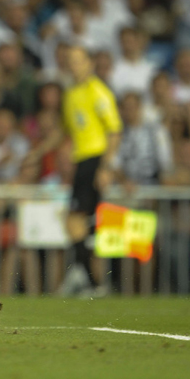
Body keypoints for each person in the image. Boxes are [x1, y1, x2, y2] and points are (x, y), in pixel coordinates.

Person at [30, 46, 122, 296]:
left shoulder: (98, 92)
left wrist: (105, 166)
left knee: (76, 223)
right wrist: (38, 152)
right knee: (80, 225)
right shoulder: (70, 94)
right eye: (70, 61)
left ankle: (92, 282)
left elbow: (114, 130)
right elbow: (64, 130)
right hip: (81, 163)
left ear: (89, 63)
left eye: (79, 61)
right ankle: (92, 280)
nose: (74, 66)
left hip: (94, 160)